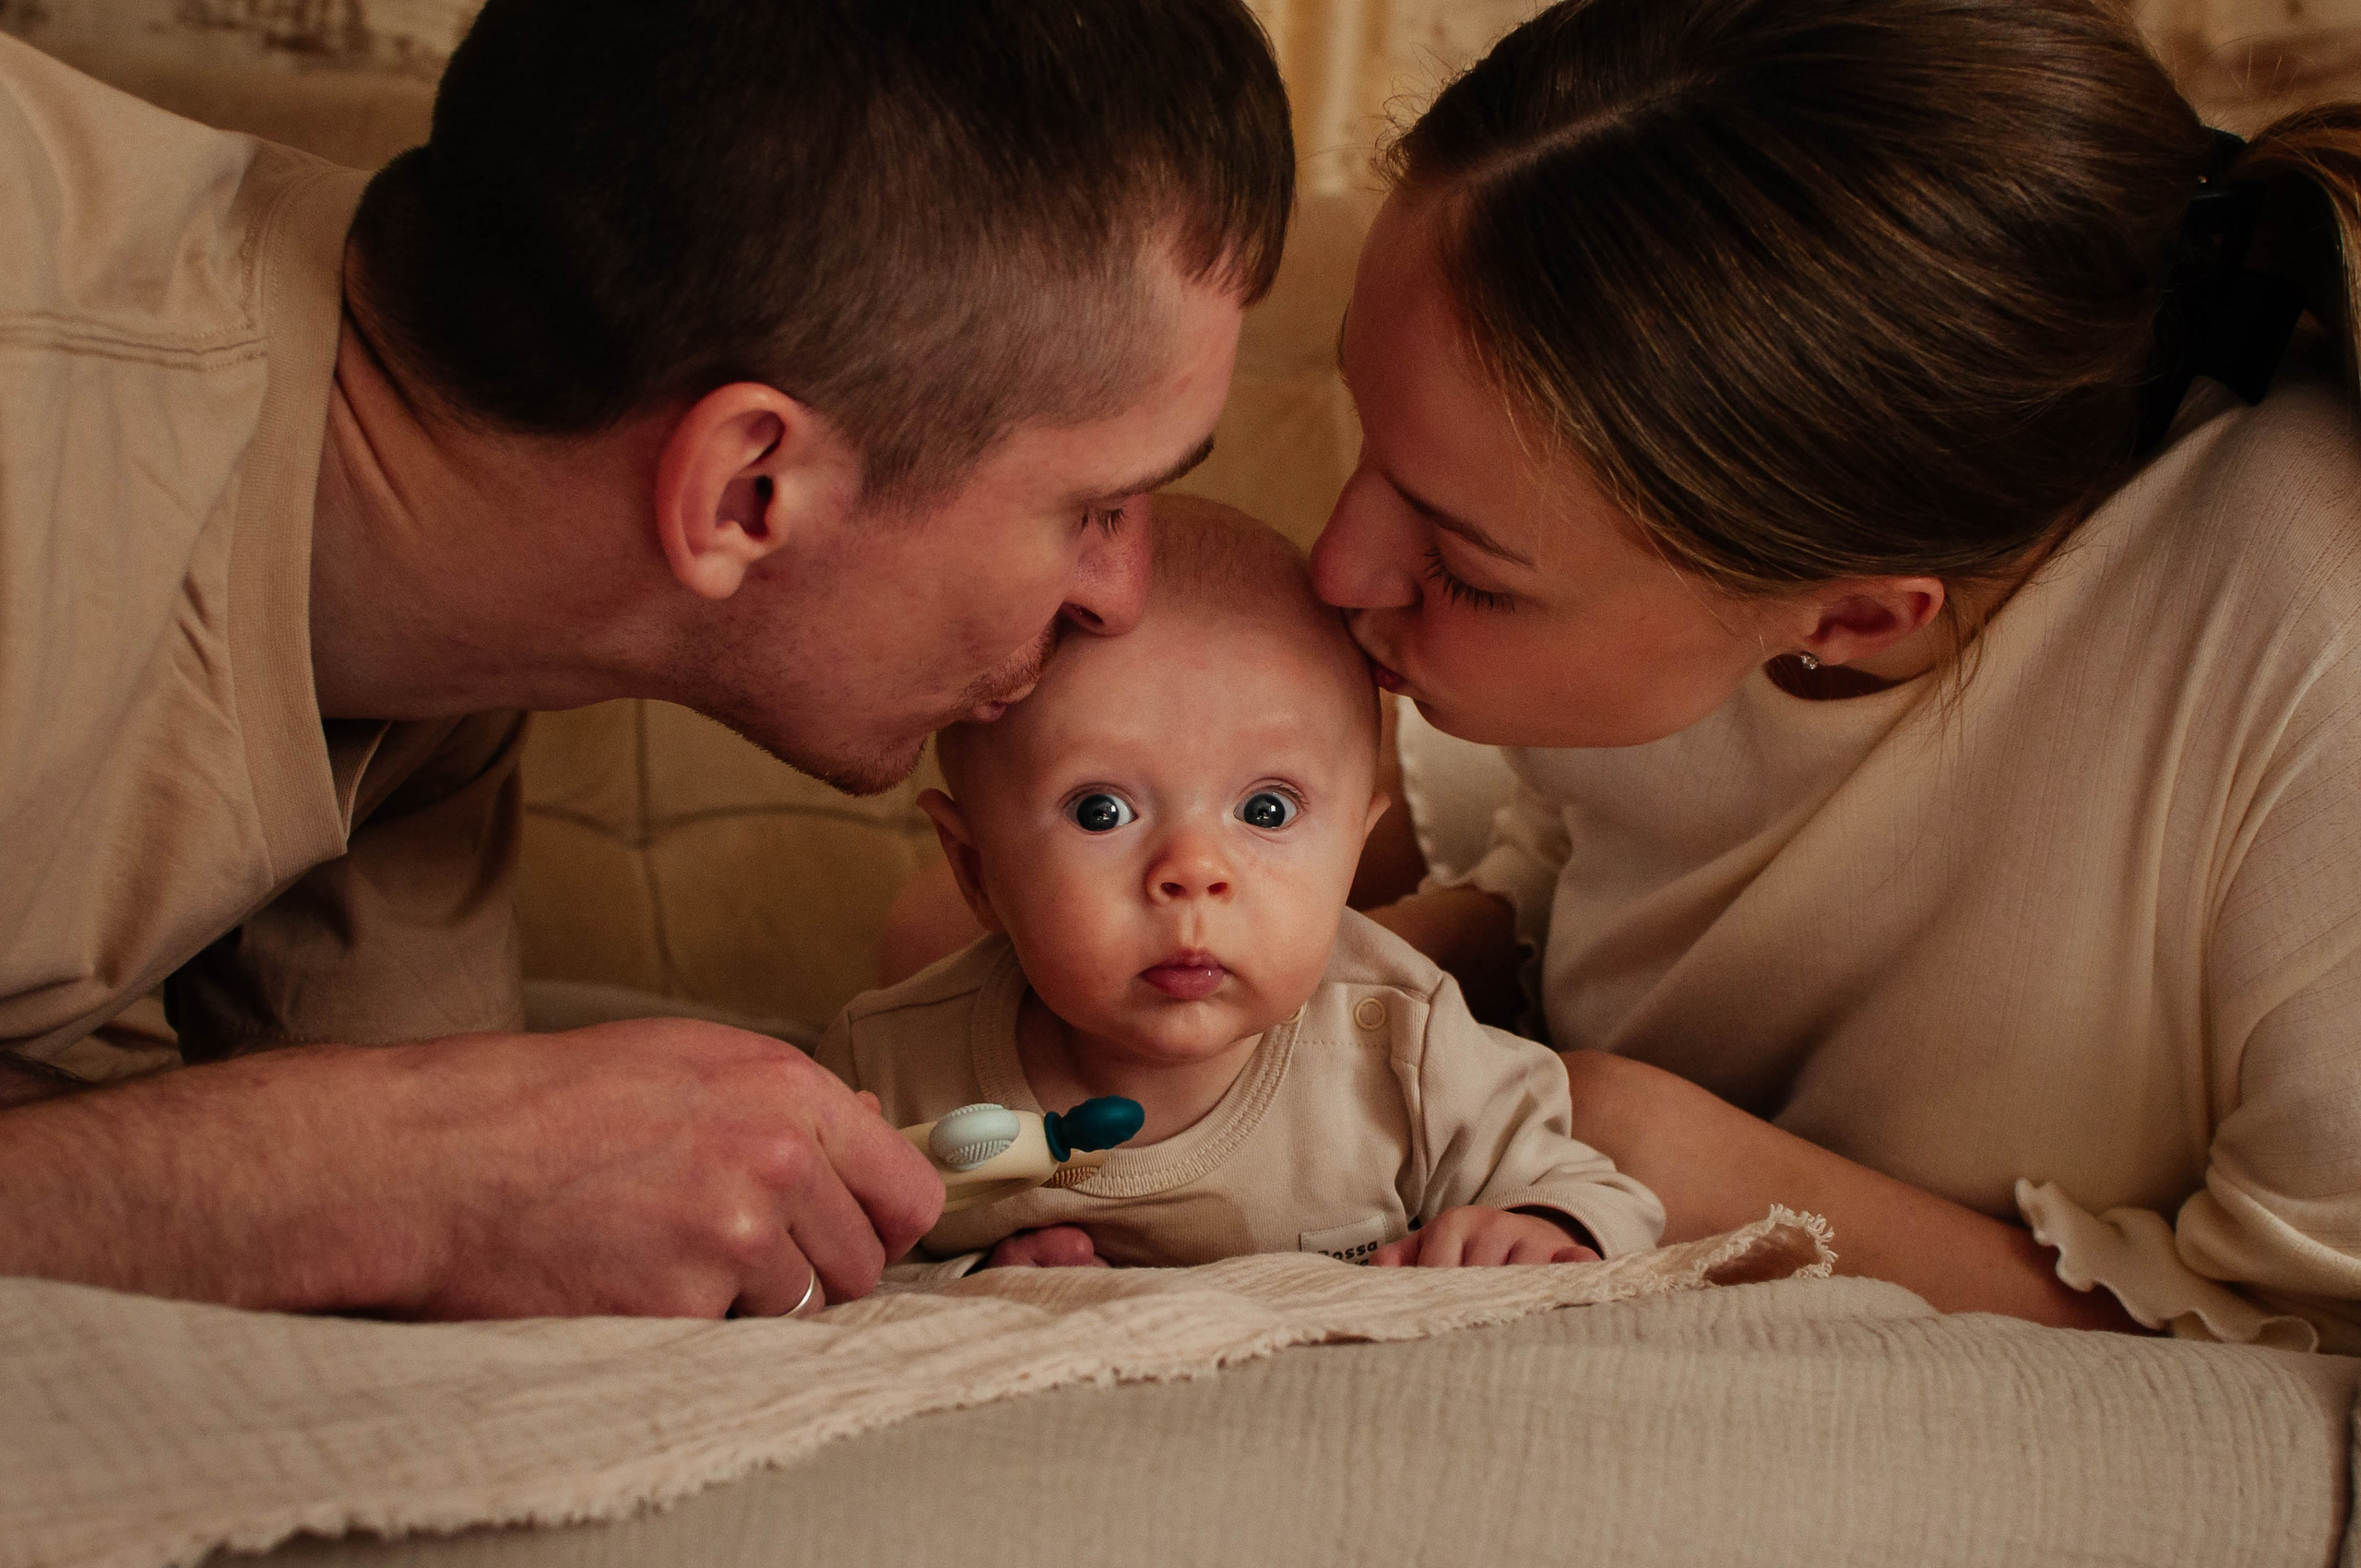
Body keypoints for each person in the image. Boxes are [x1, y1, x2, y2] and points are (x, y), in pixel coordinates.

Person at [0, 0, 1292, 1319]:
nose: (1122, 596)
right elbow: (388, 1175)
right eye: (1095, 508)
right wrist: (388, 1167)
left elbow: (409, 1250)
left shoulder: (458, 609)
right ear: (744, 489)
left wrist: (413, 1161)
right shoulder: (35, 417)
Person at [1307, 0, 2361, 1350]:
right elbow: (1588, 854)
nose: (1332, 567)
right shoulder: (1699, 541)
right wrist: (1362, 983)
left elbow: (2311, 1336)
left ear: (1855, 614)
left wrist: (1667, 1155)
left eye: (1464, 568)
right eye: (1369, 430)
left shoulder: (2309, 657)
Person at [824, 502, 1662, 1276]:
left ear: (1352, 852)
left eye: (1267, 810)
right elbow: (819, 1273)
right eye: (1101, 810)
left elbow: (1599, 1196)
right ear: (976, 870)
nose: (1195, 870)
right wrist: (973, 1280)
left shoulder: (1403, 1046)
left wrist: (1539, 1227)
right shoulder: (892, 1071)